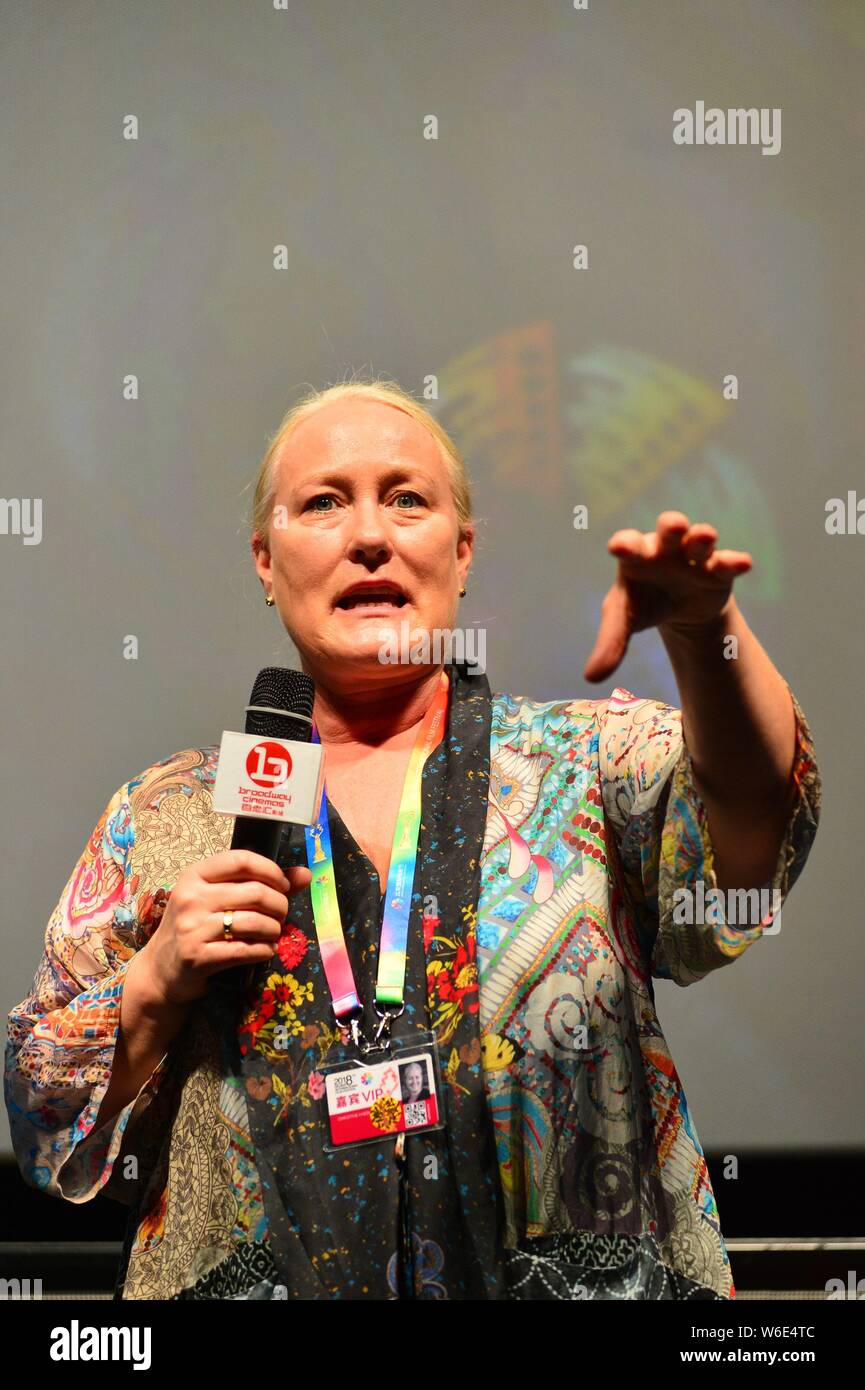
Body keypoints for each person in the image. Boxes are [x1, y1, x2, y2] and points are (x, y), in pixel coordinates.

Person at [4, 379, 821, 1301]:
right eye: (322, 502)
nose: (368, 535)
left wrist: (703, 632)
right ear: (265, 561)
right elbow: (40, 1118)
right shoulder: (165, 817)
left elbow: (754, 819)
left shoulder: (584, 764)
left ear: (461, 552)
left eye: (406, 499)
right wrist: (153, 982)